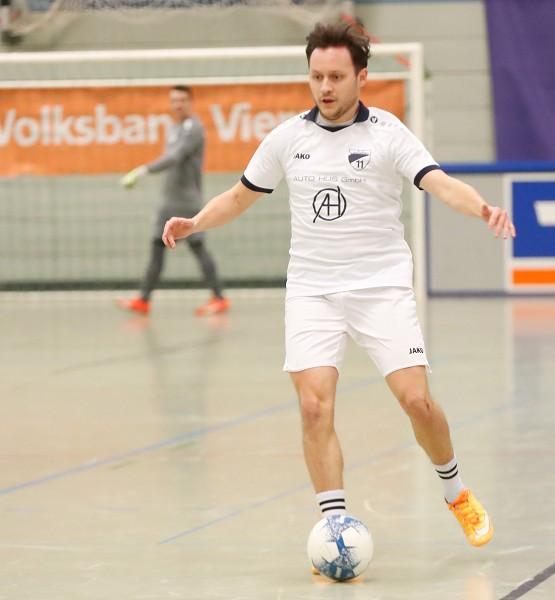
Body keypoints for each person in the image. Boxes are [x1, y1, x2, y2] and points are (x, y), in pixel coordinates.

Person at [161, 22, 514, 547]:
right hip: (313, 290)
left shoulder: (388, 133)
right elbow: (238, 196)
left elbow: (438, 182)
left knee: (417, 402)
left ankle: (455, 491)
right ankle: (335, 527)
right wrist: (196, 222)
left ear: (361, 77)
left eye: (336, 76)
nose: (325, 87)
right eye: (316, 76)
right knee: (313, 406)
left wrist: (482, 208)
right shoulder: (288, 138)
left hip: (381, 286)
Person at [117, 85, 229, 317]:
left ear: (190, 102)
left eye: (182, 100)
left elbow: (175, 157)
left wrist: (143, 170)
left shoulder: (194, 128)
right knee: (156, 246)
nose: (178, 105)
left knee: (198, 247)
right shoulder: (173, 128)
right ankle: (143, 300)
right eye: (174, 100)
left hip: (187, 201)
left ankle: (219, 298)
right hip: (168, 201)